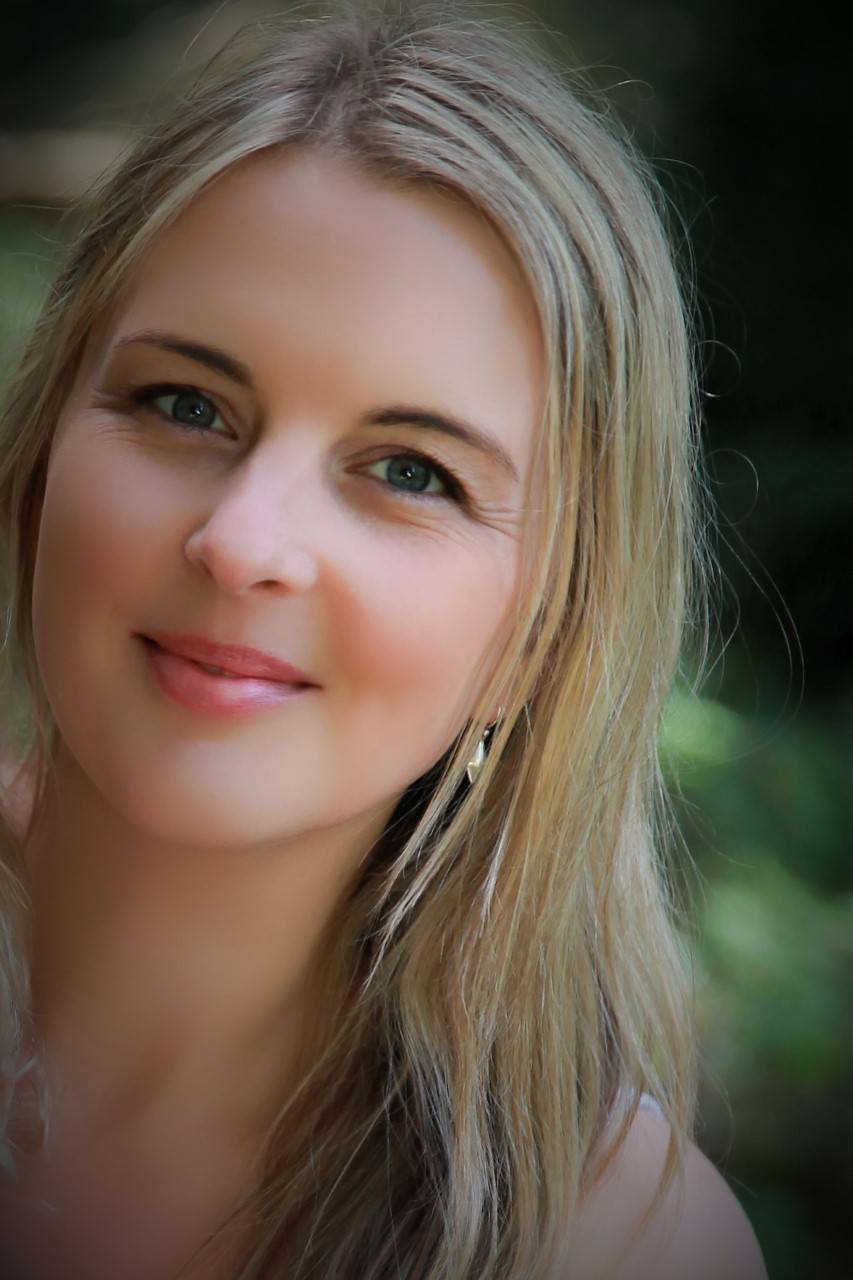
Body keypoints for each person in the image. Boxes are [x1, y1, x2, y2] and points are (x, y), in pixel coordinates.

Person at [0, 2, 768, 1277]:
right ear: (40, 460)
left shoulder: (617, 1243)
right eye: (185, 402)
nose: (244, 540)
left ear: (542, 633)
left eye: (411, 471)